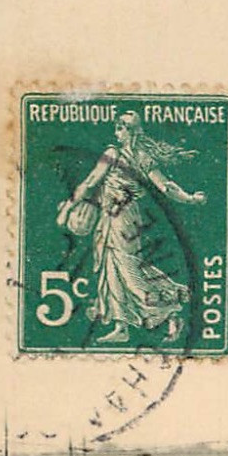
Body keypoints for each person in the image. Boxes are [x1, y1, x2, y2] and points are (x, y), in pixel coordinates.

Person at [61, 109, 206, 345]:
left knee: (125, 270)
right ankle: (123, 326)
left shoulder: (113, 153)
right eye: (117, 125)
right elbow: (166, 186)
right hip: (121, 217)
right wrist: (189, 198)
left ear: (129, 132)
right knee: (117, 268)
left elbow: (90, 182)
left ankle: (167, 310)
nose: (117, 130)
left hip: (118, 218)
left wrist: (69, 206)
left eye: (121, 126)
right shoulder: (141, 156)